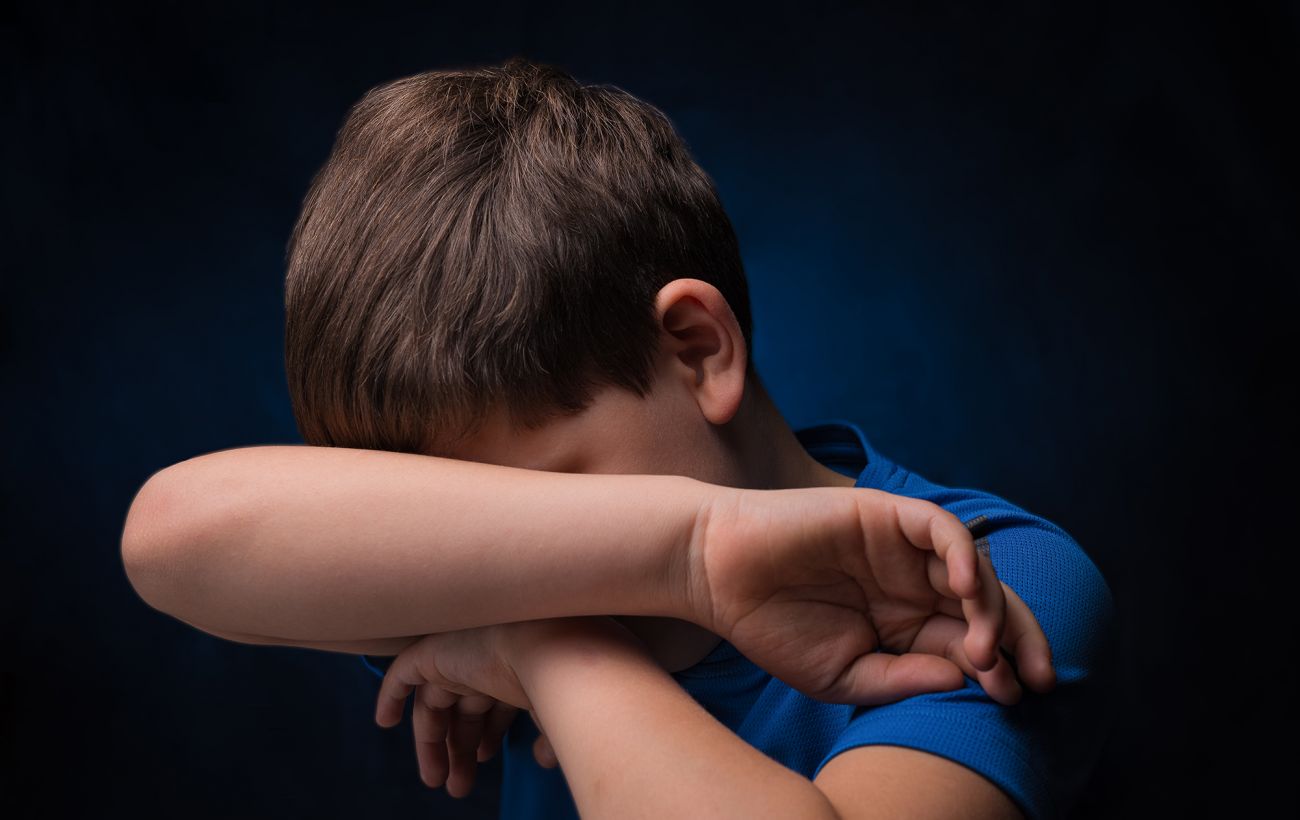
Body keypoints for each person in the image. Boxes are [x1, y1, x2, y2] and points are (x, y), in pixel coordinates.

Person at [120, 57, 1117, 819]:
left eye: (549, 501)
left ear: (696, 349)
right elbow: (174, 535)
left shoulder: (985, 586)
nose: (522, 569)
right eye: (484, 526)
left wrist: (545, 646)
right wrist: (689, 552)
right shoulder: (475, 585)